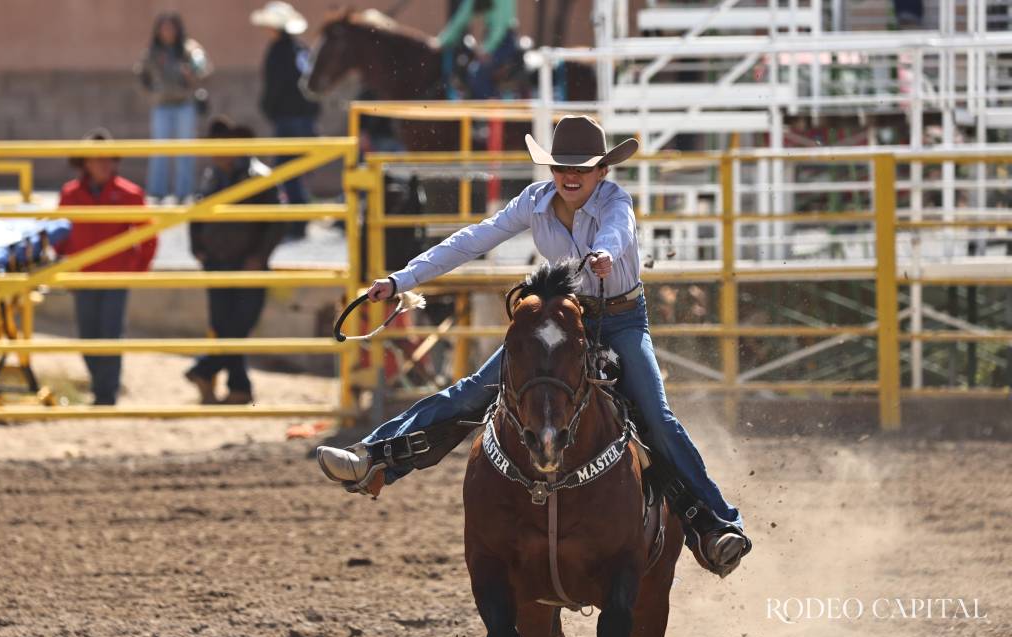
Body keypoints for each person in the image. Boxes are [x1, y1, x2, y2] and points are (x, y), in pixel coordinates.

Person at [317, 116, 752, 577]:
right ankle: (373, 456)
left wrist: (605, 252)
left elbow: (617, 232)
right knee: (472, 390)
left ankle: (718, 522)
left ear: (602, 172)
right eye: (563, 166)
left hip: (621, 321)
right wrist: (401, 280)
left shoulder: (614, 202)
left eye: (582, 169)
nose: (570, 175)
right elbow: (472, 241)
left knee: (656, 417)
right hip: (562, 322)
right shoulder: (535, 202)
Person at [185, 116, 285, 405]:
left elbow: (279, 221)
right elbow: (196, 214)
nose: (217, 151)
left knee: (238, 324)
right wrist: (198, 248)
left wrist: (260, 256)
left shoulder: (260, 177)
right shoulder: (212, 176)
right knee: (225, 325)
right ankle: (238, 387)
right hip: (217, 261)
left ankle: (205, 369)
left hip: (248, 263)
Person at [55, 128, 158, 406]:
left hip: (115, 274)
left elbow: (148, 234)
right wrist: (62, 261)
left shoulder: (129, 193)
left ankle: (106, 394)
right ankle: (101, 386)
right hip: (83, 275)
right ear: (85, 163)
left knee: (110, 333)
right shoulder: (71, 194)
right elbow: (59, 233)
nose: (104, 164)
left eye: (108, 159)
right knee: (88, 335)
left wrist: (136, 268)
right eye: (97, 159)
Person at [251, 1, 319, 239]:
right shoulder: (300, 49)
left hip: (288, 118)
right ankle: (298, 220)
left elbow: (275, 86)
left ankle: (297, 222)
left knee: (287, 171)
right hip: (304, 118)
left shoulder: (279, 51)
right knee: (295, 171)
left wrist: (268, 107)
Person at [135, 12, 212, 203]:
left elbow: (203, 69)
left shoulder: (189, 48)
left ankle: (183, 193)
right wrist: (151, 93)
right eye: (164, 27)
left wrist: (191, 75)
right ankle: (157, 192)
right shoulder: (153, 51)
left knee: (185, 150)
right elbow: (141, 74)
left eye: (171, 27)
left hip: (184, 104)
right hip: (162, 105)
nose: (167, 32)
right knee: (159, 150)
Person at [439, 0, 520, 99]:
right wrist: (441, 41)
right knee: (464, 66)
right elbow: (462, 17)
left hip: (505, 42)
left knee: (478, 73)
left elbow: (500, 26)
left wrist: (487, 50)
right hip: (491, 39)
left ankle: (490, 110)